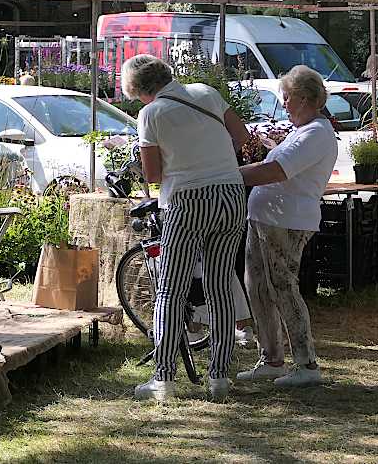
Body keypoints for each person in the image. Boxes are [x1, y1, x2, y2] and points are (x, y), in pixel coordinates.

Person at [122, 54, 250, 401]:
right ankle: (219, 376)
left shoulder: (150, 113)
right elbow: (240, 135)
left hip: (185, 200)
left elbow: (152, 175)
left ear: (140, 90)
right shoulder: (206, 92)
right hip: (230, 193)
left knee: (170, 289)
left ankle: (163, 378)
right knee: (220, 286)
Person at [237, 65, 338, 387]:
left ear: (304, 98)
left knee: (283, 287)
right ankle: (271, 359)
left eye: (286, 98)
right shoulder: (302, 129)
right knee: (258, 286)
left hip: (286, 222)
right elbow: (271, 165)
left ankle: (306, 364)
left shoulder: (316, 133)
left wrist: (226, 175)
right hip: (266, 219)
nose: (283, 104)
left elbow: (276, 171)